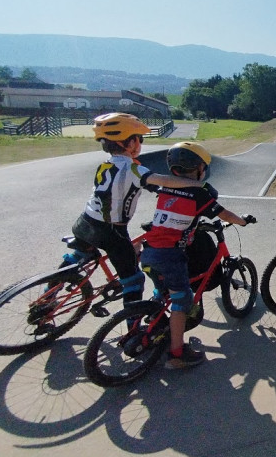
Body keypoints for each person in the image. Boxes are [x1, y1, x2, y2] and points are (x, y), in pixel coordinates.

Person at [71, 113, 203, 312]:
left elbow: (122, 187)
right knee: (134, 280)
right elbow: (164, 181)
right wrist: (196, 184)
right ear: (131, 143)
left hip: (85, 221)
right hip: (111, 232)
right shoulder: (134, 170)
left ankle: (51, 290)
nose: (140, 143)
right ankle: (134, 330)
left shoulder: (106, 164)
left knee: (77, 256)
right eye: (139, 139)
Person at [141, 142, 255, 369]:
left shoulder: (164, 186)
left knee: (165, 289)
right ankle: (177, 354)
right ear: (197, 168)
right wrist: (242, 220)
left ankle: (155, 319)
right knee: (182, 301)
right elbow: (224, 214)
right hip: (170, 254)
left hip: (149, 251)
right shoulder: (198, 194)